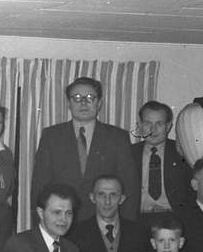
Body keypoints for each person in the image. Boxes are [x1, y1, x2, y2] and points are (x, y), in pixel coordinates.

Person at [31, 77, 140, 219]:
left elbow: (129, 186)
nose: (83, 103)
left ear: (99, 103)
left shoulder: (117, 137)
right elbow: (40, 186)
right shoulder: (51, 136)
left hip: (102, 222)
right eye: (77, 98)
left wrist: (127, 226)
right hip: (61, 221)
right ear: (69, 103)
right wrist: (40, 226)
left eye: (89, 98)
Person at [132, 100, 191, 217]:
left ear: (168, 126)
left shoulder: (182, 152)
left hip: (174, 217)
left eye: (159, 124)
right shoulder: (130, 153)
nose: (153, 130)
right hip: (139, 218)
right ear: (140, 125)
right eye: (148, 123)